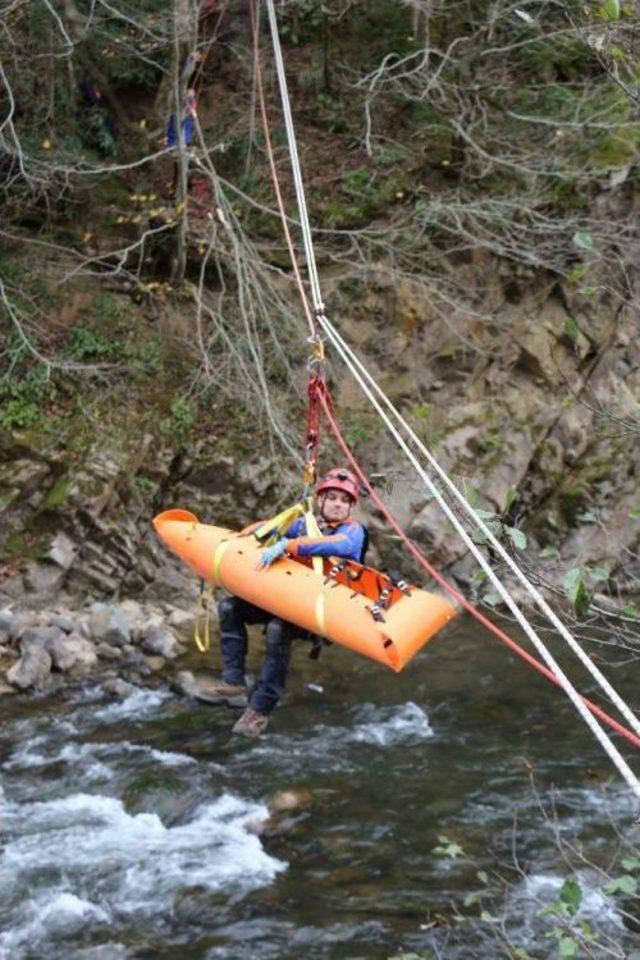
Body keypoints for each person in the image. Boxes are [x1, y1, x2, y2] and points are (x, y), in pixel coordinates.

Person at [210, 468, 367, 738]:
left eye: (343, 500)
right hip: (288, 598)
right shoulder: (306, 524)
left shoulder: (353, 532)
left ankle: (259, 712)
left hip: (319, 610)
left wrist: (289, 546)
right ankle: (233, 683)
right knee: (229, 608)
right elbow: (273, 527)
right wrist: (250, 533)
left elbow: (338, 546)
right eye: (332, 498)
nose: (337, 504)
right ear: (321, 500)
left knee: (277, 630)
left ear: (351, 506)